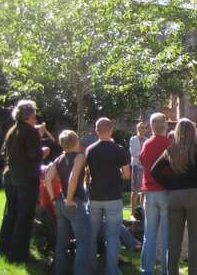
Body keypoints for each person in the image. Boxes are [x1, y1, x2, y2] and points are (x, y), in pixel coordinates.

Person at [151, 118, 197, 275]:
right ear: (192, 132)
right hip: (193, 194)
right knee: (195, 238)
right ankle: (194, 272)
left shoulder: (171, 150)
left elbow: (154, 171)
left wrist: (170, 184)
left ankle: (172, 271)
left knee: (174, 239)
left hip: (175, 196)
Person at [0, 100, 46, 263]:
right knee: (25, 216)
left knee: (11, 213)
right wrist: (43, 151)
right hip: (26, 176)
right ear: (29, 115)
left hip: (10, 175)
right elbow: (35, 155)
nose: (36, 118)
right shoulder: (31, 131)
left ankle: (4, 249)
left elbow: (4, 152)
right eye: (34, 114)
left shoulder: (13, 130)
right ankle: (18, 255)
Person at [86, 117, 131, 275]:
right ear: (111, 129)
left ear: (97, 131)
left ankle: (90, 268)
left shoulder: (90, 150)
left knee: (91, 235)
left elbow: (87, 174)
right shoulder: (119, 149)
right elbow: (126, 174)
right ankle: (112, 270)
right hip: (113, 196)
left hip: (95, 197)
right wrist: (118, 172)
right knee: (113, 236)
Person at [45, 130, 90, 275]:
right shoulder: (80, 157)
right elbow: (73, 178)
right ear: (76, 142)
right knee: (83, 242)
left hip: (60, 203)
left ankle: (61, 271)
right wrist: (70, 200)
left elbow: (48, 179)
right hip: (73, 203)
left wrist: (53, 199)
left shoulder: (58, 160)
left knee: (62, 243)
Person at [140, 113, 172, 275]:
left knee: (149, 233)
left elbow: (143, 162)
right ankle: (166, 270)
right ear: (166, 126)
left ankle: (147, 269)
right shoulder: (170, 144)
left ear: (151, 127)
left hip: (150, 191)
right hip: (165, 191)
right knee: (167, 234)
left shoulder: (146, 144)